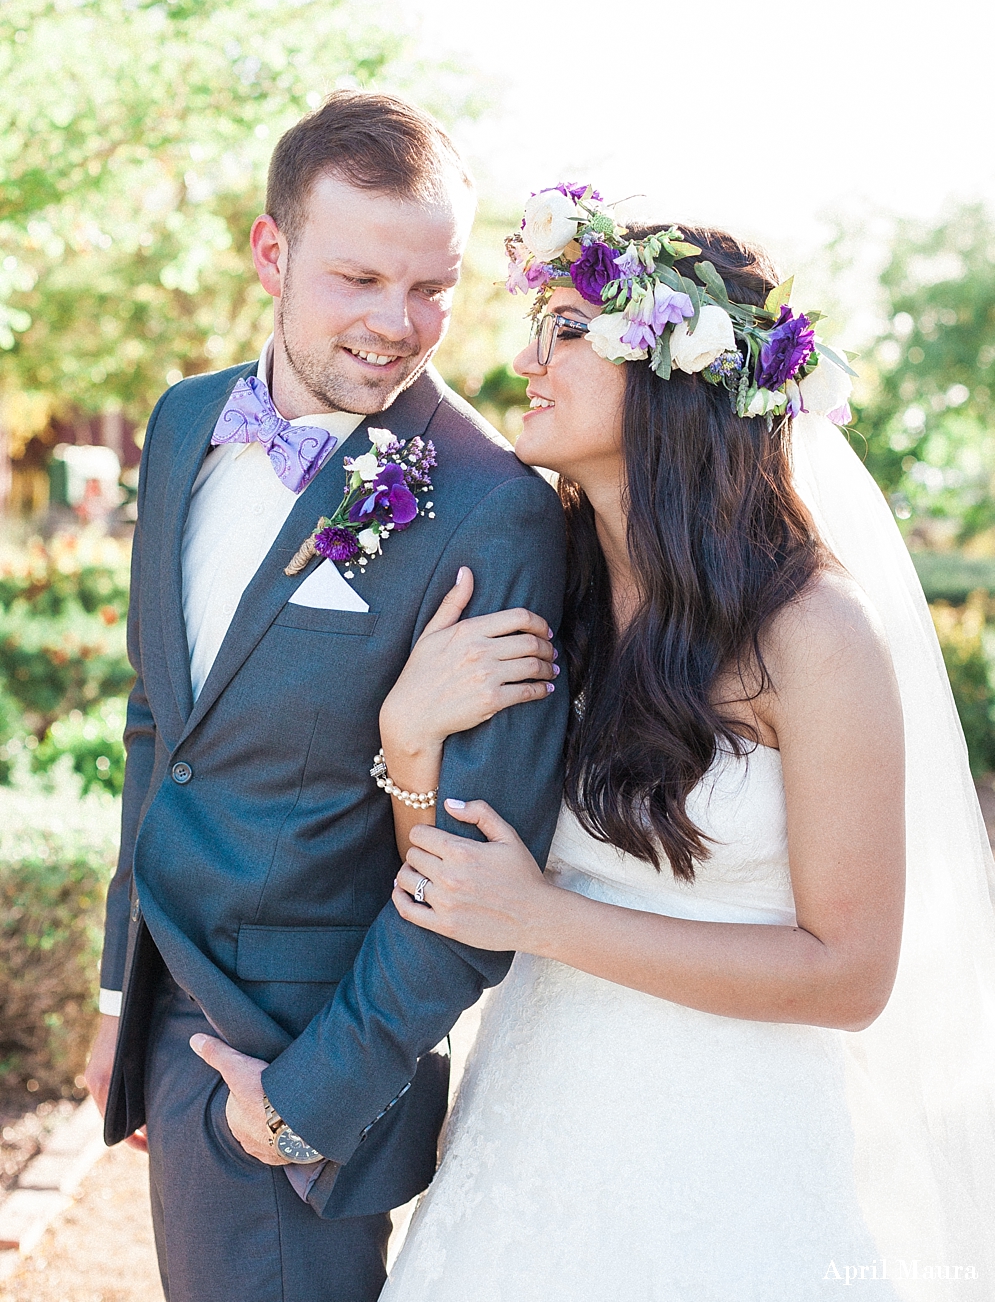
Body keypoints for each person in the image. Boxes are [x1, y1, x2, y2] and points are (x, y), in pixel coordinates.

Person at [377, 190, 995, 1299]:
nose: (527, 354)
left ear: (672, 376)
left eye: (568, 329)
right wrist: (407, 744)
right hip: (523, 1135)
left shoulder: (811, 630)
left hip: (729, 1159)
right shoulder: (542, 582)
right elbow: (455, 882)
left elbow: (850, 973)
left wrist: (545, 916)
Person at [83, 94, 570, 1302]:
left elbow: (476, 871)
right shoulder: (184, 418)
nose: (396, 326)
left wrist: (302, 1108)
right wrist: (117, 998)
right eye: (357, 277)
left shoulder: (490, 504)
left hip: (303, 1066)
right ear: (269, 251)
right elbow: (161, 727)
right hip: (167, 1012)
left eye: (431, 287)